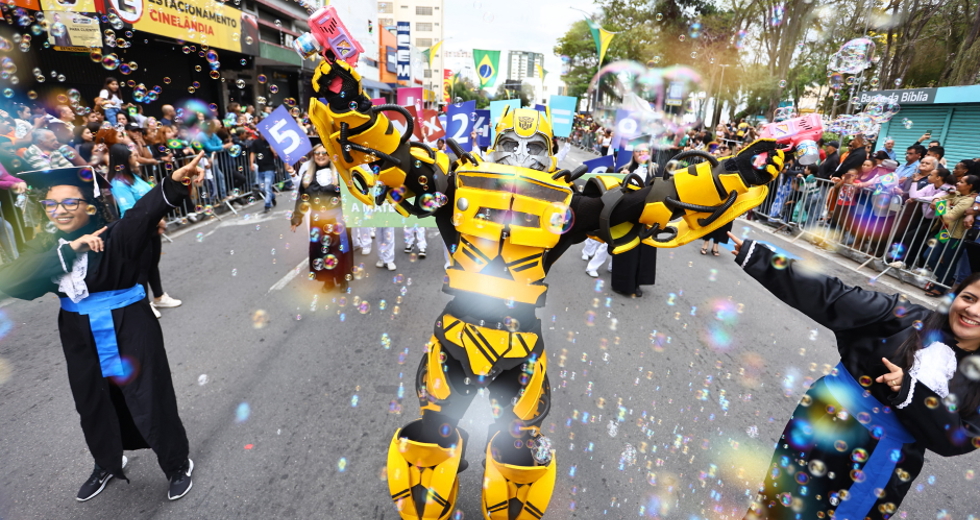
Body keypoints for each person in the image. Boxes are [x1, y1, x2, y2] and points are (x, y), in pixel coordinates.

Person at [308, 56, 785, 519]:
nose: (521, 153)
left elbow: (645, 201)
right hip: (465, 334)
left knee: (518, 450)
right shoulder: (455, 186)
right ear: (493, 145)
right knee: (431, 443)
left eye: (534, 146)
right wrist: (351, 107)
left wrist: (728, 177)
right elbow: (400, 159)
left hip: (516, 341)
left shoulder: (568, 205)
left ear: (551, 152)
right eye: (512, 143)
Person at [731, 233, 980, 520]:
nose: (972, 311)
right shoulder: (905, 317)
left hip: (883, 462)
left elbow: (958, 439)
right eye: (968, 297)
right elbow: (835, 296)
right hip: (823, 423)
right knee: (776, 503)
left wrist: (910, 391)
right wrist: (760, 258)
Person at [0, 154, 204, 502]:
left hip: (130, 324)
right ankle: (107, 462)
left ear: (90, 206)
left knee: (150, 395)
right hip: (77, 330)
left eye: (69, 202)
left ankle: (176, 463)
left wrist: (174, 183)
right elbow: (14, 278)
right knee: (92, 400)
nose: (58, 210)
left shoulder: (116, 235)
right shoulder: (49, 245)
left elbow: (143, 214)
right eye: (51, 203)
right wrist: (72, 249)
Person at [290, 145, 353, 292]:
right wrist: (296, 219)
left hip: (338, 219)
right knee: (321, 251)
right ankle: (328, 280)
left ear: (330, 155)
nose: (320, 156)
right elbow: (302, 198)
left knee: (340, 250)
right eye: (317, 153)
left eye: (324, 153)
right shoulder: (307, 173)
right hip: (317, 220)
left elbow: (351, 195)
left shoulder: (339, 173)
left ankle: (343, 278)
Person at [922, 175, 980, 296]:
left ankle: (940, 288)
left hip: (956, 236)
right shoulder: (956, 194)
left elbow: (949, 217)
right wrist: (936, 201)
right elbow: (940, 198)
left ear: (970, 186)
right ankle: (944, 280)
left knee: (949, 262)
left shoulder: (968, 200)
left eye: (962, 182)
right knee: (929, 256)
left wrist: (944, 205)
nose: (958, 183)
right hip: (944, 232)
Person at [248, 132, 277, 213]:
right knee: (262, 188)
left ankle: (267, 205)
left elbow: (275, 154)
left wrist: (271, 147)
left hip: (270, 168)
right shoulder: (256, 142)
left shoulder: (271, 142)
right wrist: (251, 163)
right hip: (261, 168)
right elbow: (252, 153)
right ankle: (272, 196)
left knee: (267, 187)